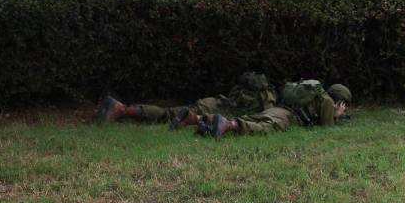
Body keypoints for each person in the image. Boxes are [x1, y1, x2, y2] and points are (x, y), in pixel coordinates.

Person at [95, 72, 278, 129]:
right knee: (166, 114)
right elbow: (263, 117)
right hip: (211, 109)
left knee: (169, 113)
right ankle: (121, 109)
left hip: (212, 102)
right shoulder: (265, 98)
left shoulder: (244, 91)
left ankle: (119, 109)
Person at [197, 82, 352, 138]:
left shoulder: (318, 94)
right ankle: (229, 125)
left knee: (254, 117)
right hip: (288, 118)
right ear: (340, 100)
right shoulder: (327, 101)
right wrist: (336, 115)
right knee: (265, 127)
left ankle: (206, 122)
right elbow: (327, 128)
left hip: (277, 109)